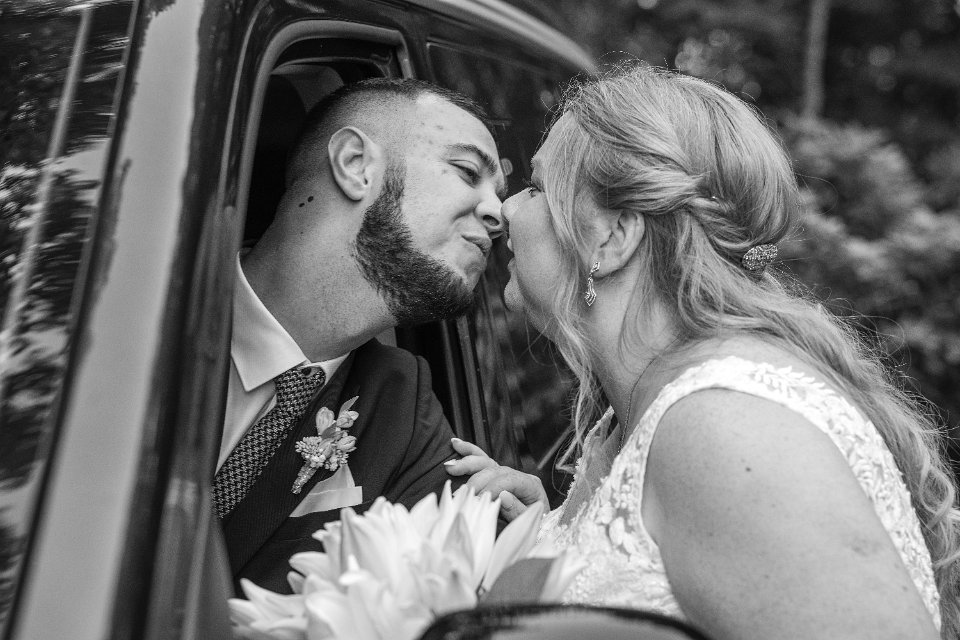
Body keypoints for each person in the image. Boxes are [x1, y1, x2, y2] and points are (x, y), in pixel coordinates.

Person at [446, 65, 960, 640]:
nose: (508, 209)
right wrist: (548, 540)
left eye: (538, 189)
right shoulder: (634, 418)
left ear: (613, 237)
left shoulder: (727, 429)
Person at [215, 78, 506, 594]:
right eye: (467, 172)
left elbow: (441, 594)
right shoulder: (142, 313)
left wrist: (517, 545)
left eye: (498, 194)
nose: (498, 214)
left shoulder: (402, 407)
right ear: (355, 164)